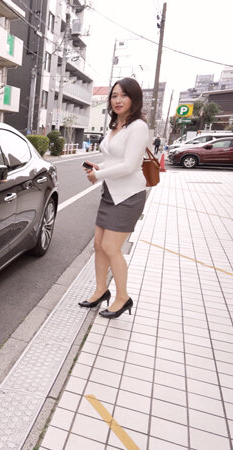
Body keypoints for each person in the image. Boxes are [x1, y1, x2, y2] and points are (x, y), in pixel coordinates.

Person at [79, 77, 149, 319]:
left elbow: (130, 165)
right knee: (98, 246)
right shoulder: (115, 125)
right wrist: (98, 168)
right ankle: (101, 291)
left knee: (111, 247)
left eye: (124, 95)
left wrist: (98, 175)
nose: (118, 100)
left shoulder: (138, 127)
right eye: (114, 95)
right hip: (110, 192)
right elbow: (113, 160)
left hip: (129, 195)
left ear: (134, 99)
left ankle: (123, 298)